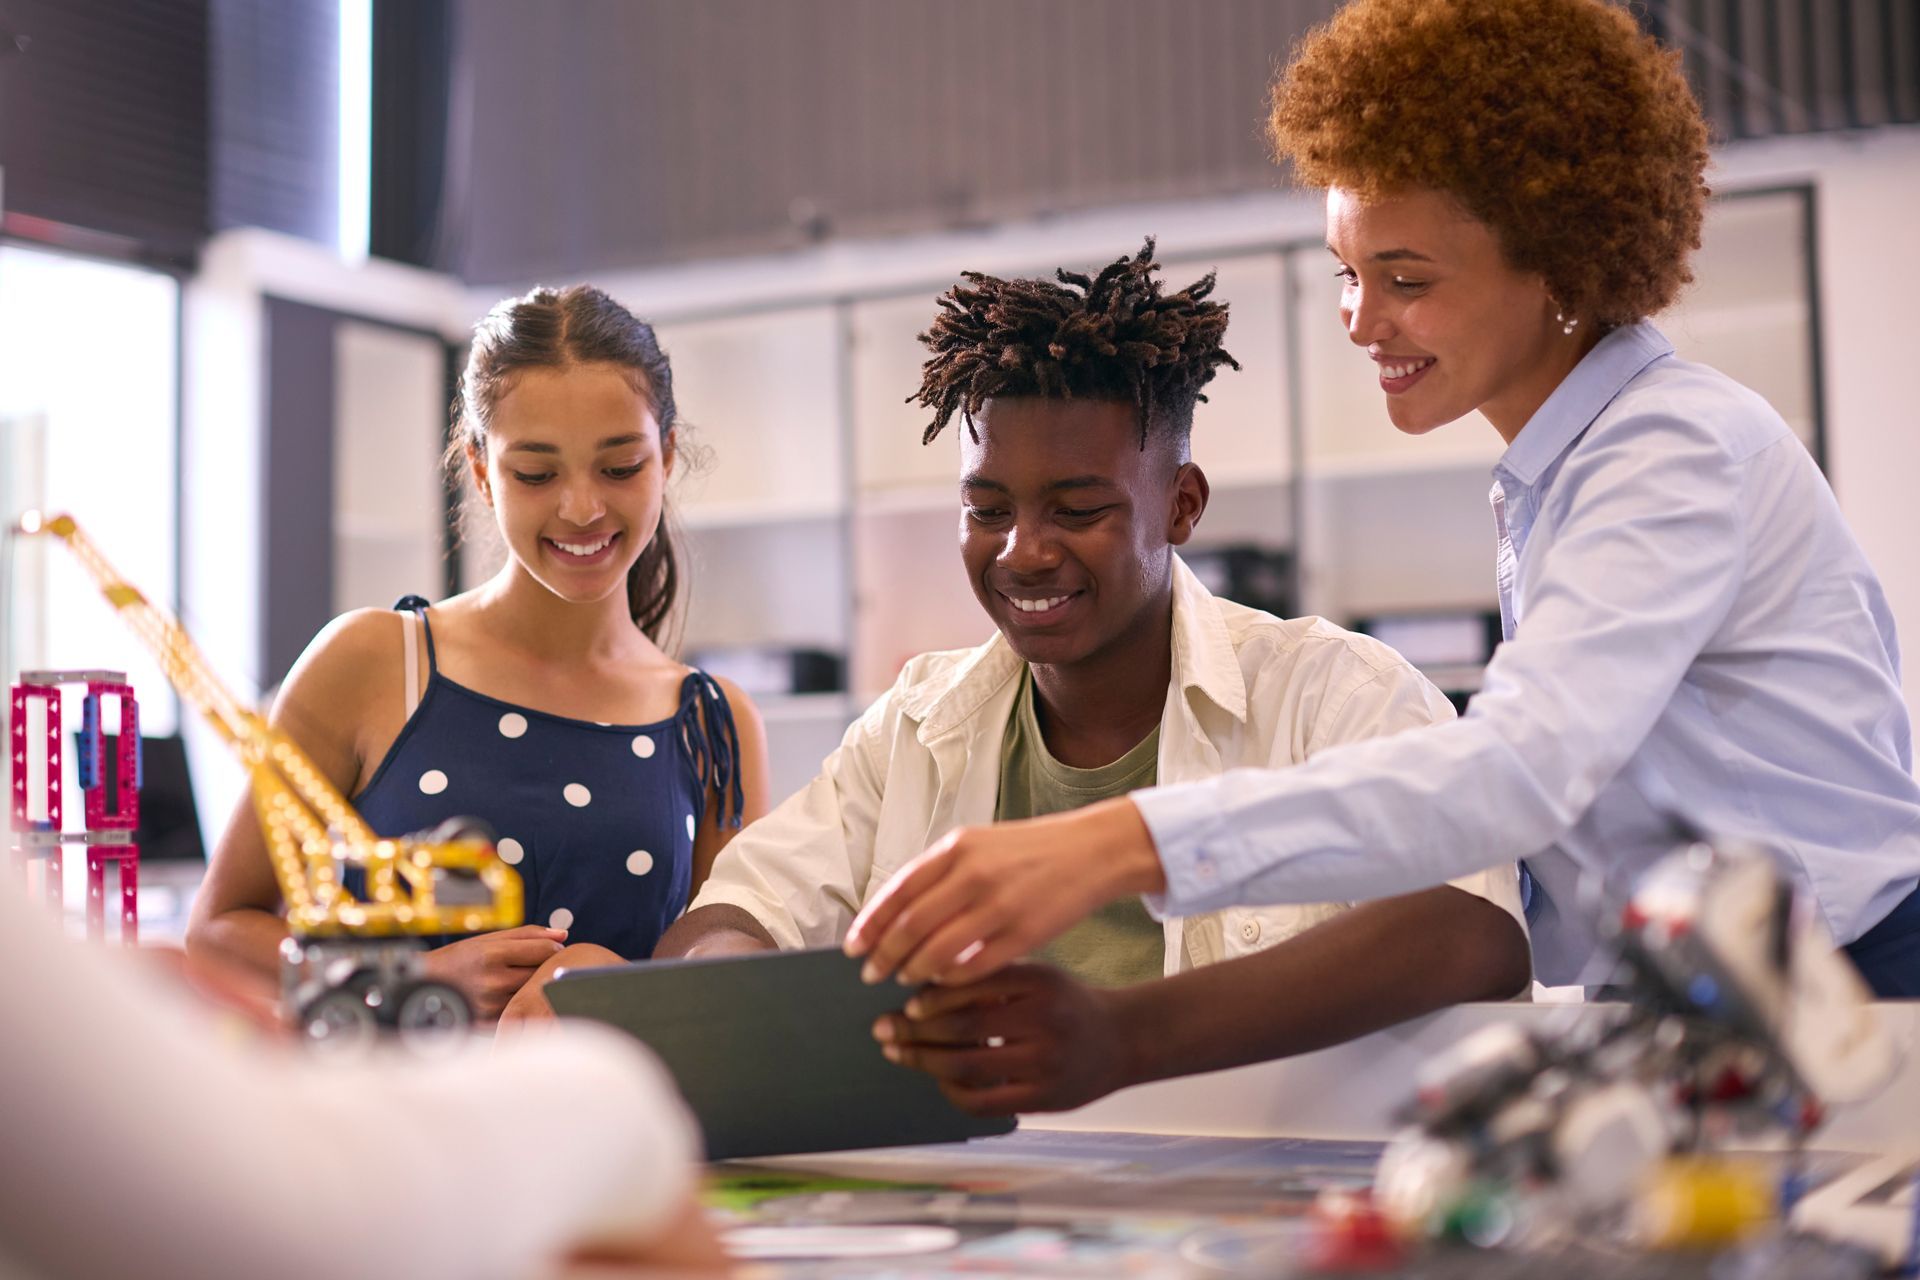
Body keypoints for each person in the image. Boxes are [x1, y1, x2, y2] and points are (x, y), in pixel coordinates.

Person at [844, 0, 1920, 1000]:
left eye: (1406, 279)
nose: (1361, 321)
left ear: (1559, 264)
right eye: (1346, 273)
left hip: (1859, 989)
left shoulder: (1668, 451)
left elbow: (1515, 771)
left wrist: (1116, 843)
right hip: (1718, 997)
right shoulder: (1565, 469)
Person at [655, 242, 1530, 1115]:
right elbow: (730, 914)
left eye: (1079, 511)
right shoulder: (914, 728)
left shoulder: (1335, 690)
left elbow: (1470, 931)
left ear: (1182, 504)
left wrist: (1122, 1037)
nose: (1022, 551)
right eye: (986, 509)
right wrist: (743, 997)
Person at [188, 285, 769, 1021]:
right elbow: (218, 930)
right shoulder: (374, 662)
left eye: (620, 467)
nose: (582, 508)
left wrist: (600, 982)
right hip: (389, 1125)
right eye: (536, 473)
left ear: (668, 456)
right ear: (482, 469)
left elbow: (725, 984)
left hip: (608, 1130)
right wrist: (413, 979)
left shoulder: (714, 725)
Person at [0, 878, 724, 1278]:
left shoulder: (712, 718)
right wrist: (607, 1073)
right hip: (465, 1147)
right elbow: (277, 1220)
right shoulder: (368, 658)